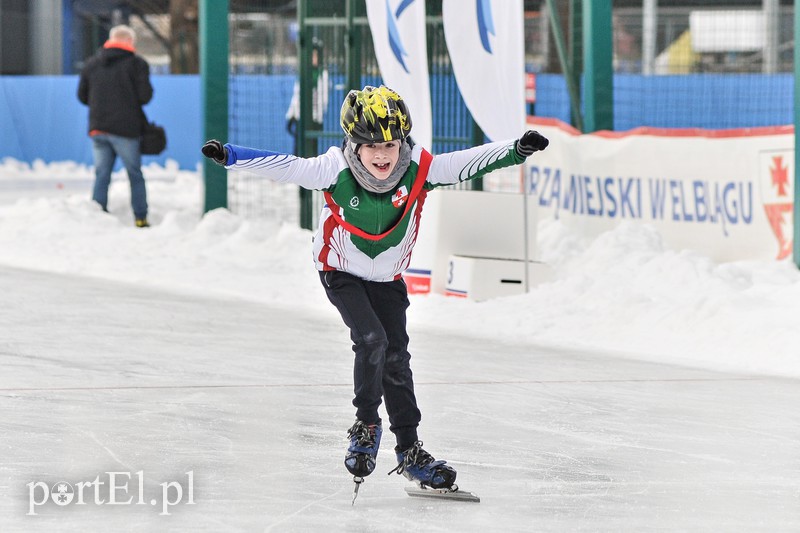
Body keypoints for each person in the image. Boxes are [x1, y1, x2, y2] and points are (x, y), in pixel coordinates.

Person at [201, 85, 549, 491]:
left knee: (397, 359)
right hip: (340, 270)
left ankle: (410, 451)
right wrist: (231, 155)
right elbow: (285, 166)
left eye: (389, 143)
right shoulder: (333, 169)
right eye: (371, 146)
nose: (382, 155)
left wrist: (517, 149)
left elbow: (466, 163)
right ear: (354, 144)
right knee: (371, 339)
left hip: (387, 277)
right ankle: (365, 426)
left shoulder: (420, 169)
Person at [78, 24, 153, 228]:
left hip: (98, 128)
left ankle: (97, 215)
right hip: (127, 129)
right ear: (129, 42)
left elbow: (82, 96)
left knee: (101, 174)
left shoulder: (91, 64)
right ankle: (140, 218)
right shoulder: (137, 64)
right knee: (135, 174)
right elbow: (145, 96)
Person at [285, 37, 329, 157]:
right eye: (310, 55)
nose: (312, 58)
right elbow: (296, 96)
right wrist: (291, 115)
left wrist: (318, 119)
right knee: (297, 151)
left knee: (311, 153)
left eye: (315, 55)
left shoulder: (322, 74)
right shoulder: (303, 72)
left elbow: (322, 100)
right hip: (300, 118)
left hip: (313, 120)